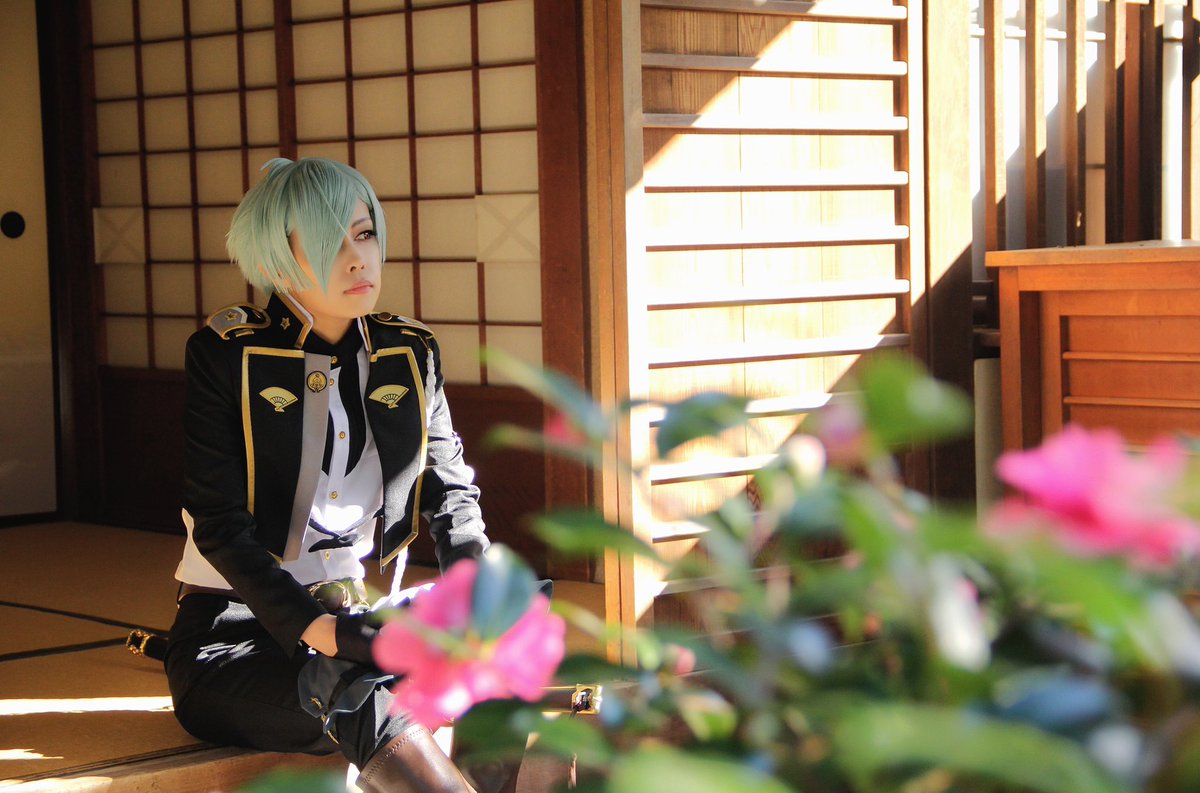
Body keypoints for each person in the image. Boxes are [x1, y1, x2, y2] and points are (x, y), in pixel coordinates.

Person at [164, 157, 486, 793]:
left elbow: (451, 493)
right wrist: (325, 633)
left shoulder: (409, 353)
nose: (358, 260)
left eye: (364, 235)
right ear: (276, 259)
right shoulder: (226, 356)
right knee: (355, 693)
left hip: (357, 623)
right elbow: (219, 526)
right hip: (231, 641)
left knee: (500, 656)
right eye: (326, 244)